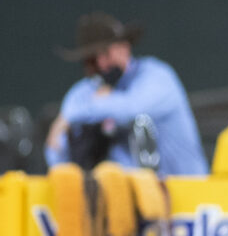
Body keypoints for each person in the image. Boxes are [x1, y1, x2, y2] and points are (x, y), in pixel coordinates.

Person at [45, 12, 207, 176]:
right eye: (91, 59)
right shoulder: (84, 93)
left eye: (105, 53)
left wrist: (70, 116)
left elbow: (131, 108)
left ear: (124, 47)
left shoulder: (157, 76)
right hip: (120, 195)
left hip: (186, 192)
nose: (100, 64)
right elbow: (56, 154)